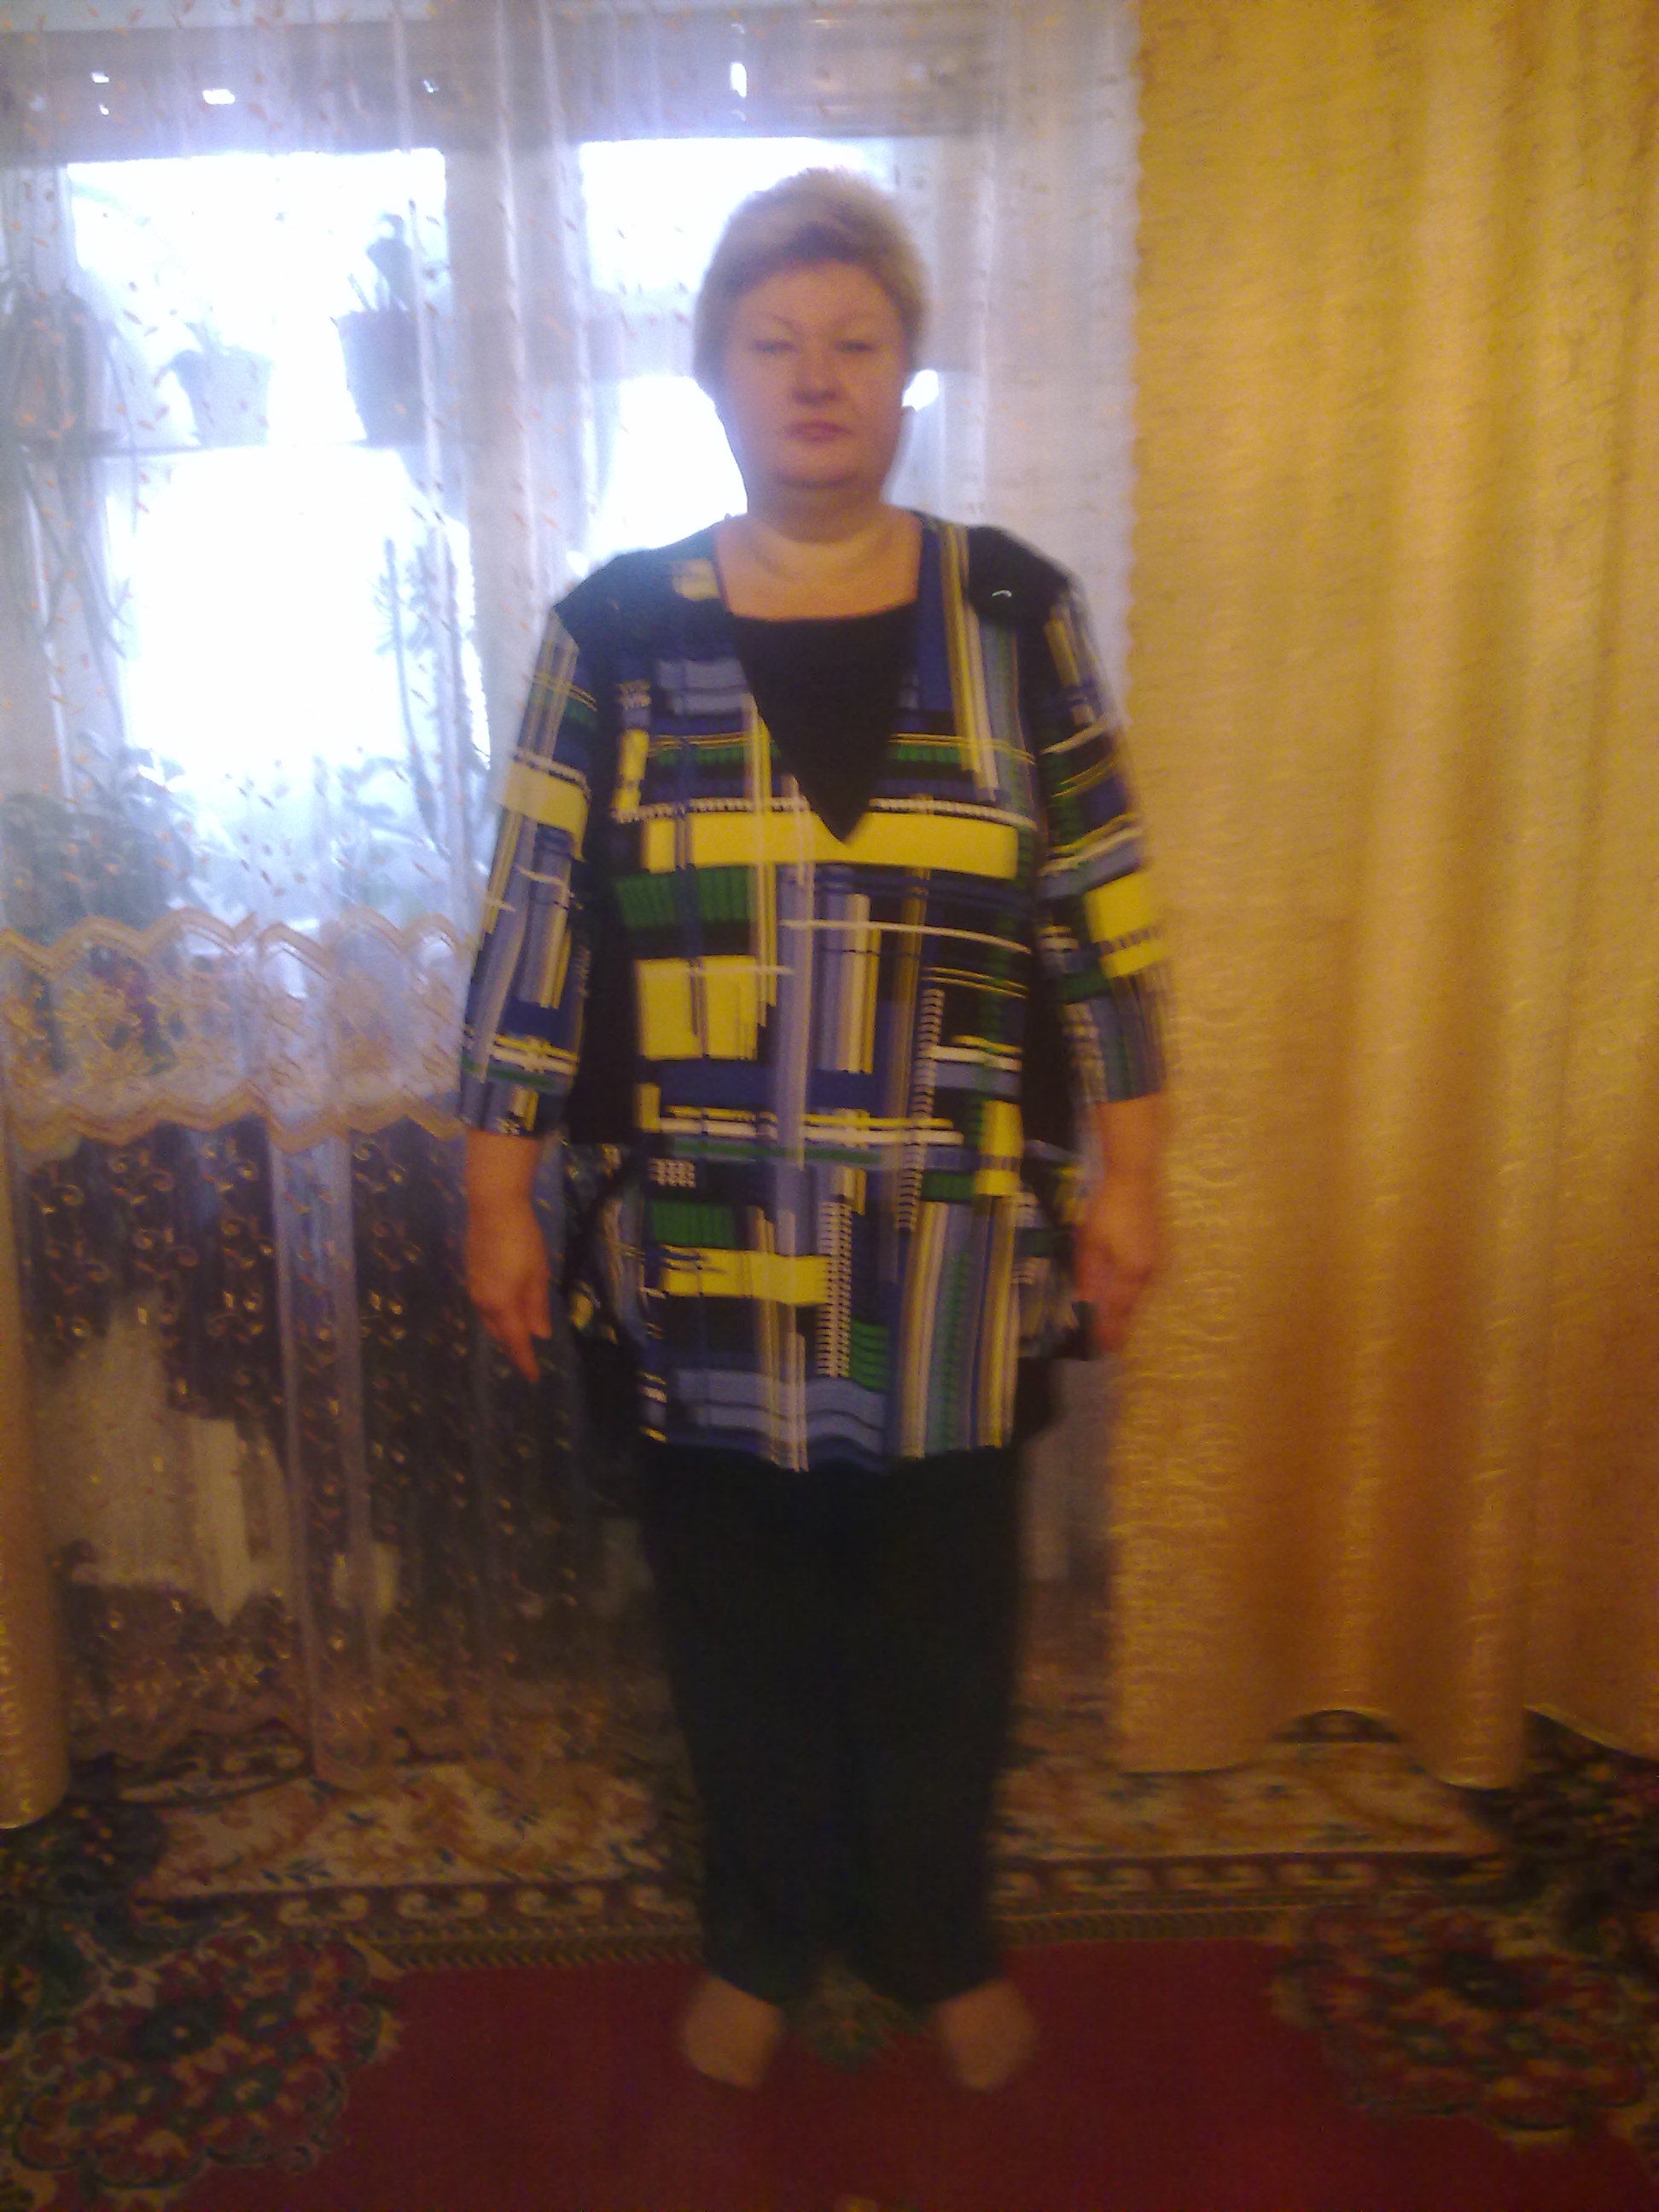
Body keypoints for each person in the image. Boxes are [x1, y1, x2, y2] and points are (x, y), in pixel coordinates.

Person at [459, 170, 1167, 2093]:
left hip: (953, 1254)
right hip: (701, 1250)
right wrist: (497, 1194)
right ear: (716, 377)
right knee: (736, 1623)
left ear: (908, 372)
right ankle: (764, 1933)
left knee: (945, 1624)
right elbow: (532, 926)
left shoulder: (1013, 610)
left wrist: (1135, 1177)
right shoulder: (613, 630)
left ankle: (933, 1930)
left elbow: (1102, 913)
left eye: (856, 339)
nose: (817, 374)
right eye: (774, 342)